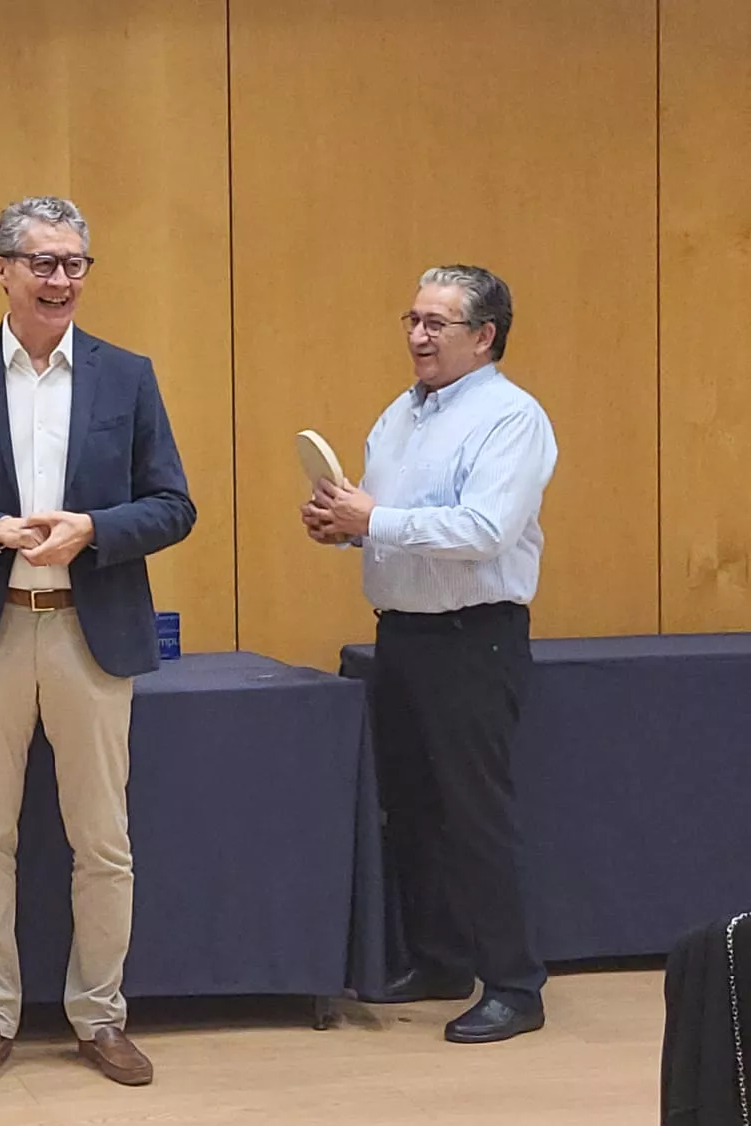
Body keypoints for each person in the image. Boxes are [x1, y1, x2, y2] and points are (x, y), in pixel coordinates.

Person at [0, 196, 196, 1088]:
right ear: (2, 270)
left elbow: (174, 503)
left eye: (75, 263)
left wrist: (94, 530)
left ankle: (100, 1017)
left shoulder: (127, 377)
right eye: (43, 262)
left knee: (102, 841)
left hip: (88, 632)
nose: (60, 279)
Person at [303, 264, 557, 1044]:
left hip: (472, 637)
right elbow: (398, 523)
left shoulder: (511, 419)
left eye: (435, 324)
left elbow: (484, 531)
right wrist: (347, 527)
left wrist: (374, 518)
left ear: (483, 337)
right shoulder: (403, 414)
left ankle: (515, 983)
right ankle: (443, 959)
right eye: (411, 319)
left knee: (475, 813)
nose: (416, 336)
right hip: (403, 634)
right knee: (412, 806)